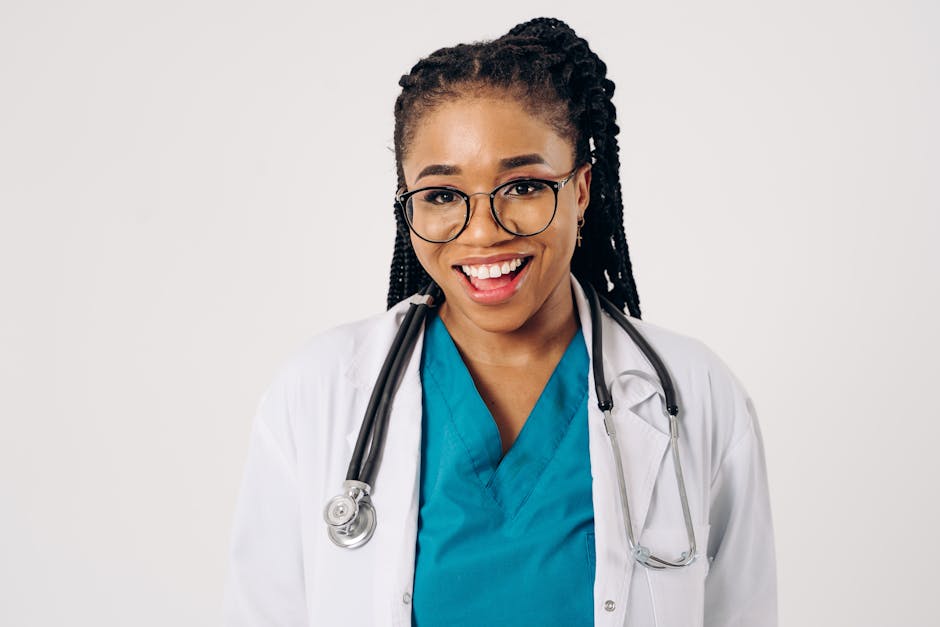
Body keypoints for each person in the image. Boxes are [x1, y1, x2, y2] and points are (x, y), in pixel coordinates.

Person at [223, 16, 777, 627]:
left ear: (583, 189)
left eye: (522, 187)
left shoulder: (695, 395)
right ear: (407, 204)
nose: (484, 230)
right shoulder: (319, 393)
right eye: (441, 195)